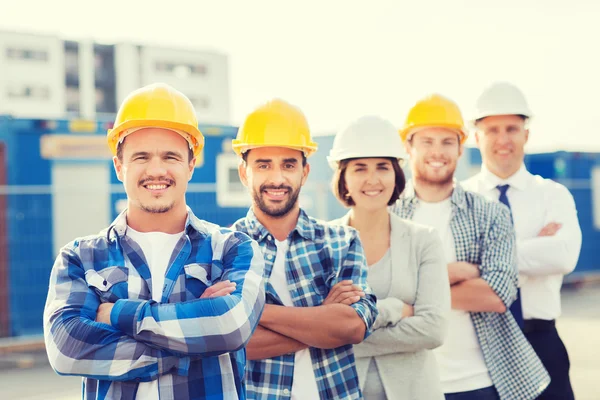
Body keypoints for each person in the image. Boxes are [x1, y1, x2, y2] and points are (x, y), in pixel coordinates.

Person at [43, 83, 266, 400]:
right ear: (120, 166)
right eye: (142, 157)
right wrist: (195, 339)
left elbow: (230, 325)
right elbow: (68, 348)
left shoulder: (233, 248)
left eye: (170, 156)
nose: (156, 170)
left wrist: (116, 314)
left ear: (191, 165)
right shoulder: (80, 258)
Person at [391, 93, 550, 400]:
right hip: (407, 382)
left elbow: (497, 295)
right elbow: (375, 293)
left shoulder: (490, 213)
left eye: (447, 142)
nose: (437, 151)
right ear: (407, 147)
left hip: (478, 381)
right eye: (426, 141)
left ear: (461, 148)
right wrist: (455, 273)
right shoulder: (389, 215)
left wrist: (410, 298)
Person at [231, 99, 378, 400]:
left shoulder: (342, 242)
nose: (277, 178)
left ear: (305, 172)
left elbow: (353, 327)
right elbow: (231, 343)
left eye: (288, 165)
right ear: (244, 173)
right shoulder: (223, 249)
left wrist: (252, 312)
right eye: (263, 164)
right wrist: (323, 319)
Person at [463, 81, 582, 400]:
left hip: (540, 340)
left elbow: (563, 256)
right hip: (477, 345)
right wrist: (532, 255)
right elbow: (445, 268)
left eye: (512, 129)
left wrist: (481, 263)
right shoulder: (460, 200)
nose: (503, 140)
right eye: (493, 130)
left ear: (526, 135)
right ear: (477, 137)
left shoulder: (553, 195)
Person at [327, 115, 450, 399]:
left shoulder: (424, 240)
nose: (372, 179)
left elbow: (433, 329)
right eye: (359, 168)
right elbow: (317, 331)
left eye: (382, 167)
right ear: (343, 179)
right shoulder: (322, 243)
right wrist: (393, 309)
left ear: (396, 175)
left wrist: (346, 332)